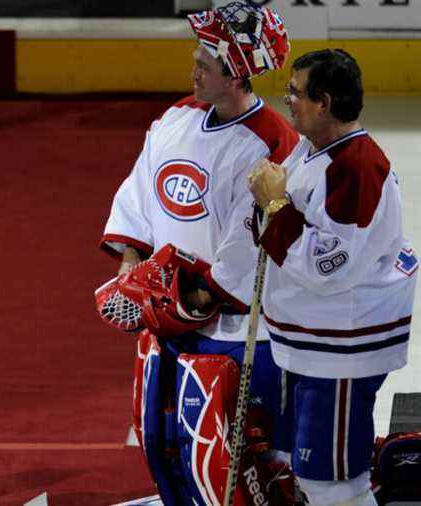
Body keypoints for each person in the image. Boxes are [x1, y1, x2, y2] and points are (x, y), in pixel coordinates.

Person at [97, 2, 299, 503]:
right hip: (166, 319)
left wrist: (195, 298)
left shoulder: (274, 142)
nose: (193, 71)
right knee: (164, 442)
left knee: (241, 460)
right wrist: (130, 266)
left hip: (235, 331)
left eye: (204, 66)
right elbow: (139, 193)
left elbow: (250, 241)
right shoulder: (175, 118)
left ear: (235, 76)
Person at [248, 49, 418, 506]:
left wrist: (275, 206)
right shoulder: (314, 148)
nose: (287, 100)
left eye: (295, 93)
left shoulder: (357, 169)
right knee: (310, 474)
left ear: (323, 102)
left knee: (335, 485)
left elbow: (329, 269)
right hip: (314, 347)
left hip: (340, 353)